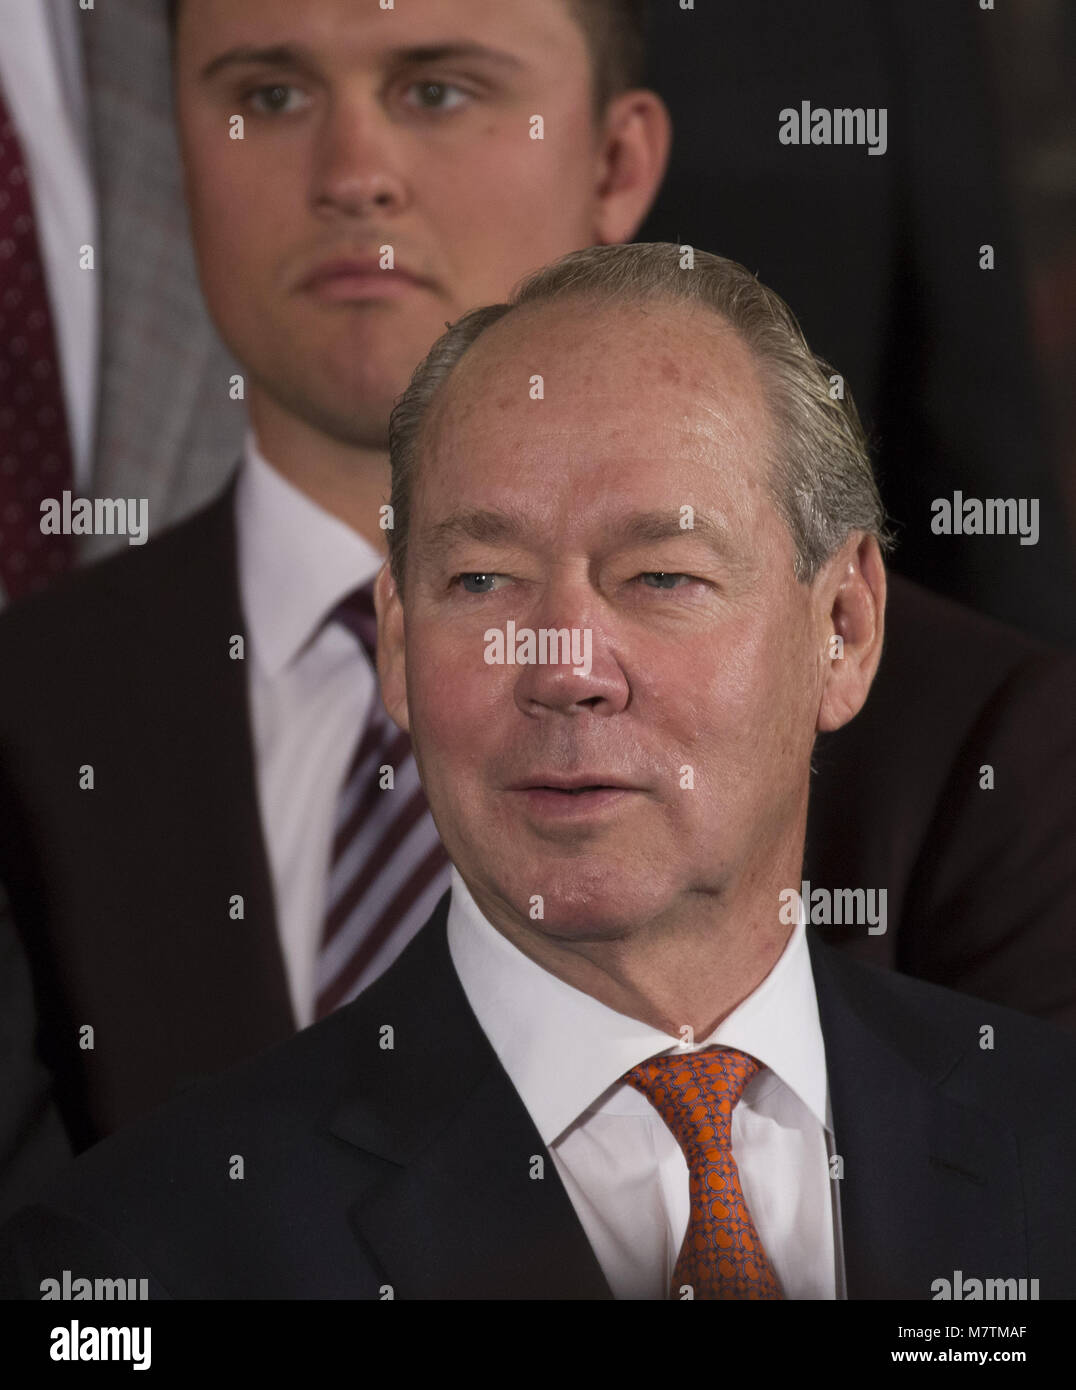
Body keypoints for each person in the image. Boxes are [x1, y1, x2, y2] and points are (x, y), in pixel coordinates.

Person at [2, 244, 1072, 1301]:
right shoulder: (142, 1258)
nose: (563, 668)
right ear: (396, 645)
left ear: (843, 626)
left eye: (660, 575)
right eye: (482, 581)